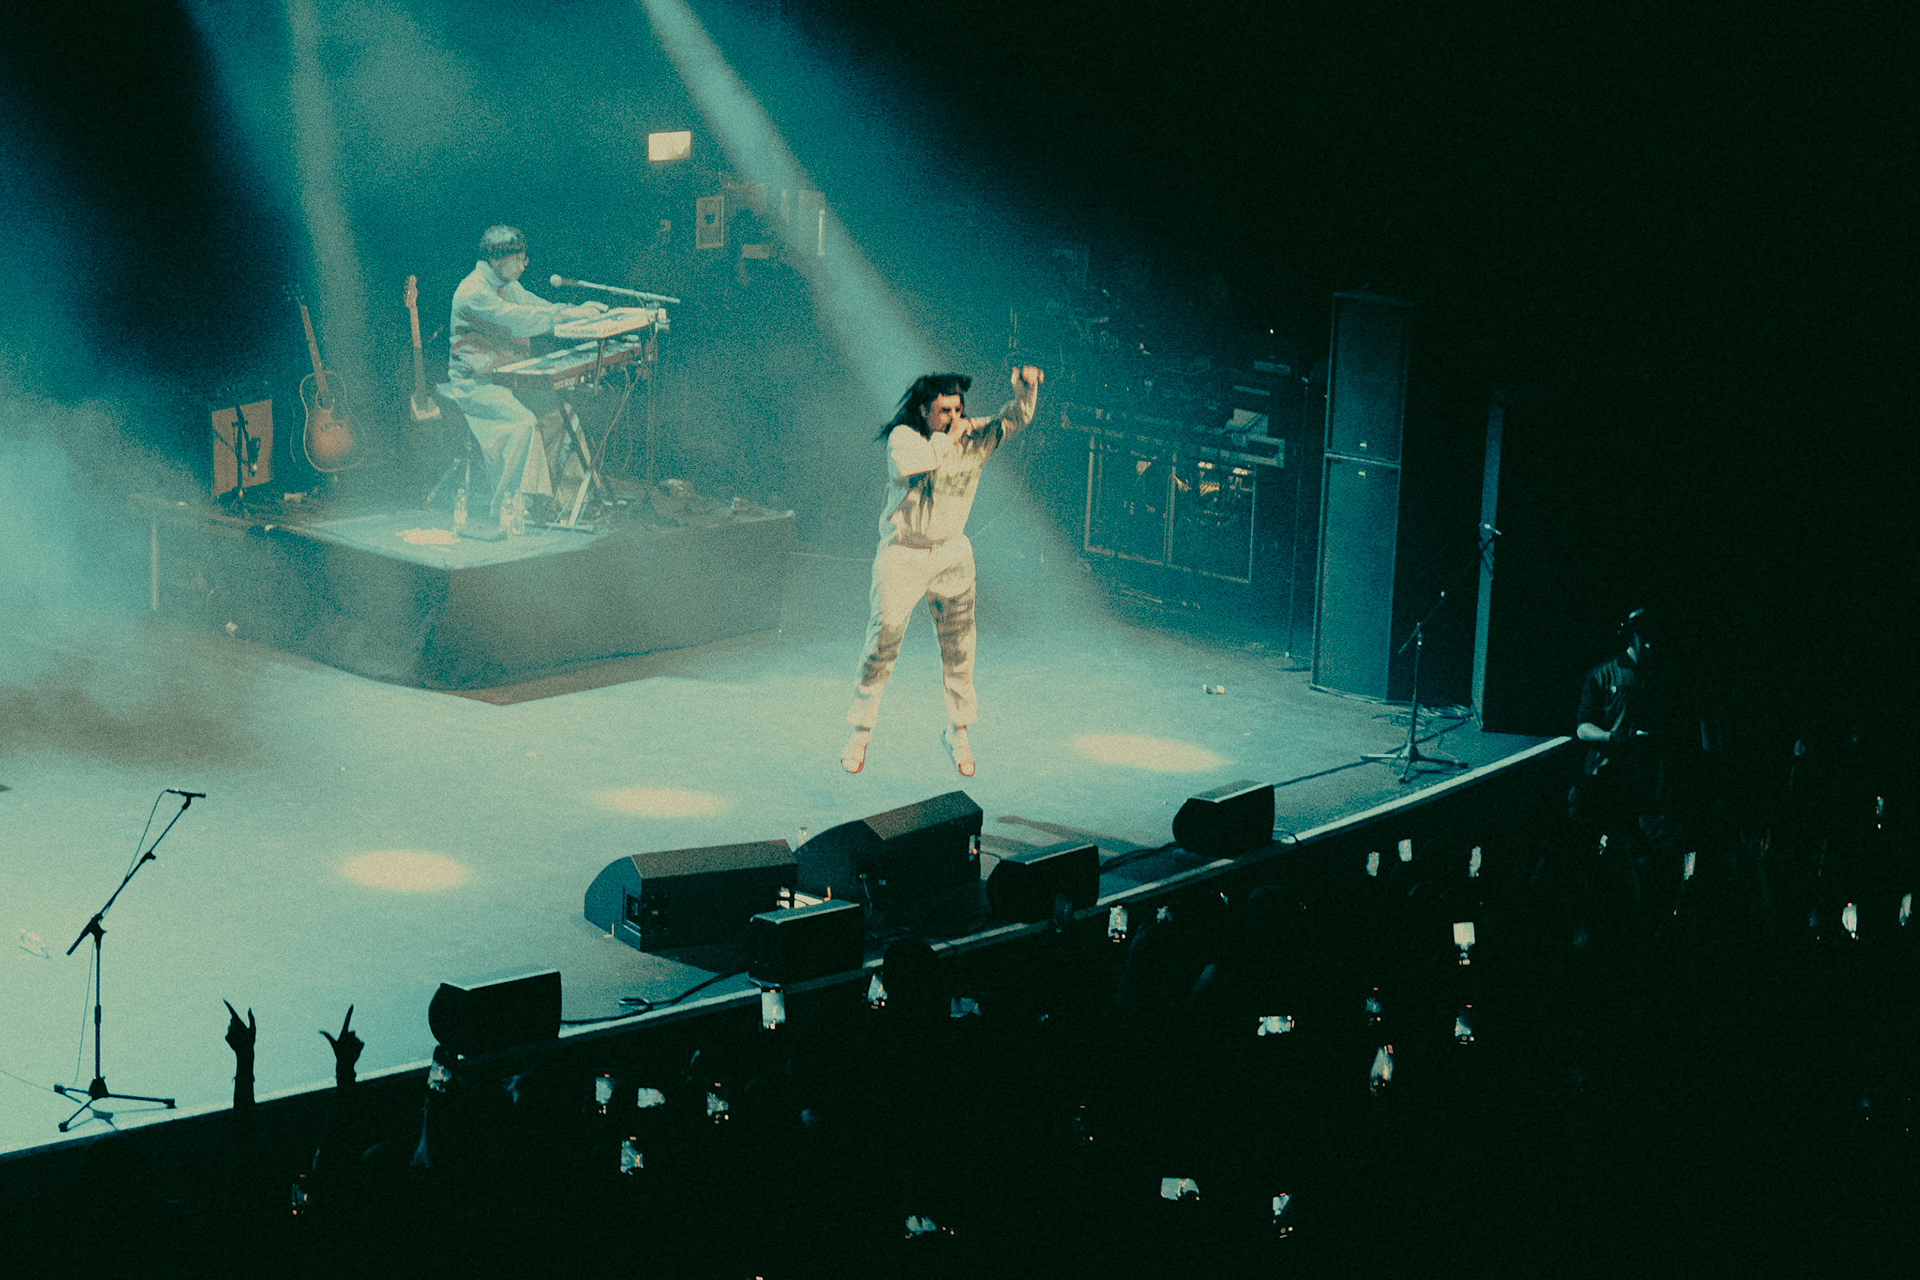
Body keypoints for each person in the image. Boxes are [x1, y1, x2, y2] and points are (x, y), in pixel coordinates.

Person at [841, 365, 1043, 775]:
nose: (953, 417)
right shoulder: (904, 438)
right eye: (943, 411)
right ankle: (860, 733)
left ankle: (959, 732)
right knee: (882, 643)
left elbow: (1014, 418)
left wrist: (1025, 393)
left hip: (951, 554)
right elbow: (910, 466)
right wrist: (949, 438)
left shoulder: (973, 438)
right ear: (924, 411)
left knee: (960, 648)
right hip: (904, 554)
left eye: (957, 409)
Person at [441, 225, 606, 524]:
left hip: (509, 379)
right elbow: (516, 319)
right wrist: (567, 315)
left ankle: (568, 502)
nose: (523, 264)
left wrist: (574, 309)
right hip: (477, 385)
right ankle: (517, 506)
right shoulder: (473, 291)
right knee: (523, 424)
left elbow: (535, 306)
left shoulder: (509, 285)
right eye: (517, 258)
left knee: (563, 415)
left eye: (524, 258)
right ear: (495, 259)